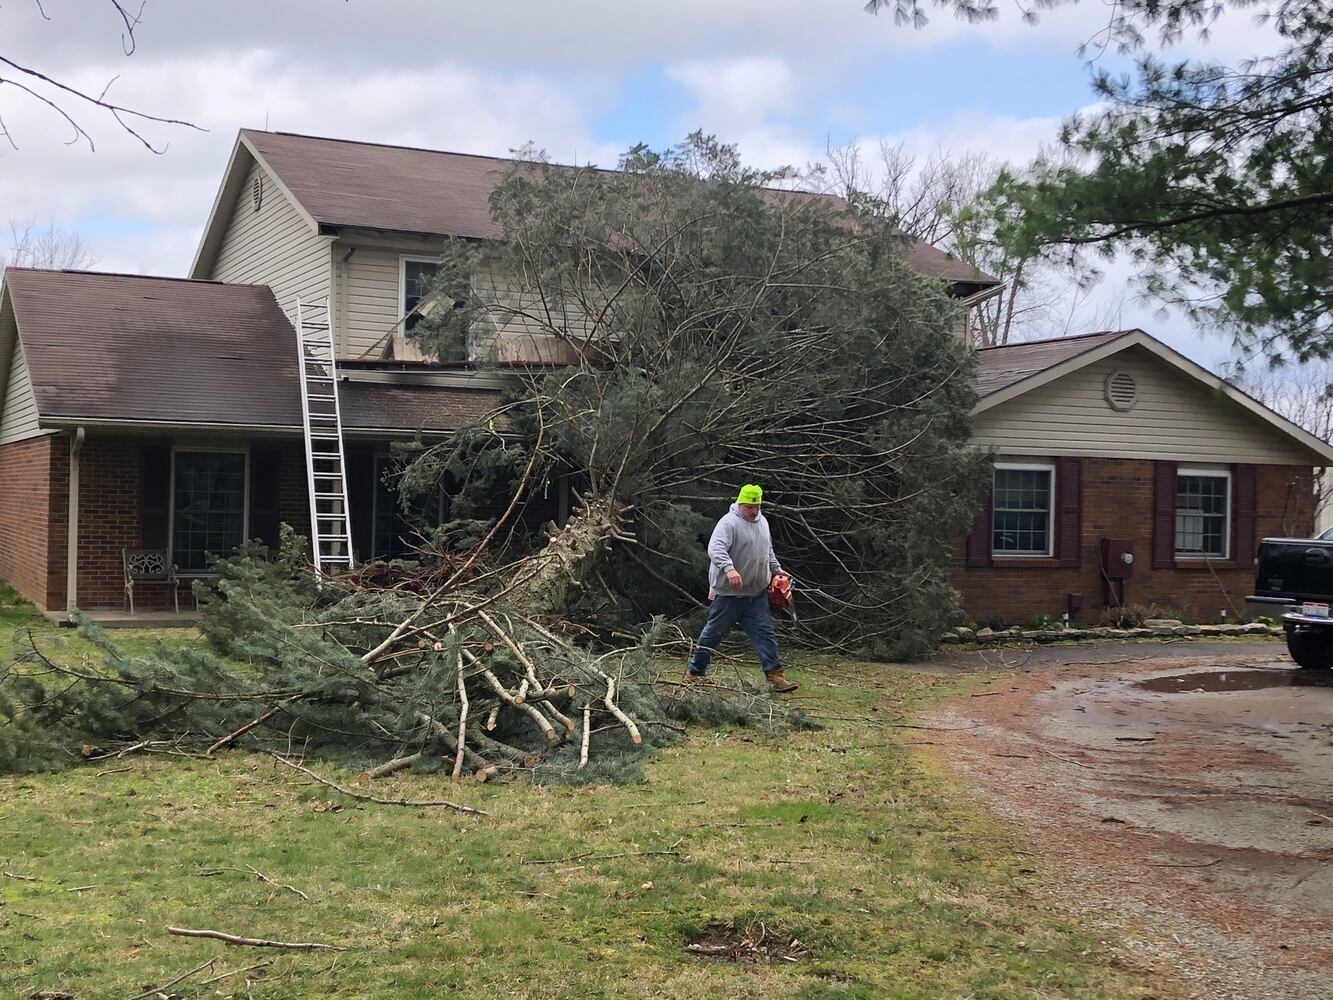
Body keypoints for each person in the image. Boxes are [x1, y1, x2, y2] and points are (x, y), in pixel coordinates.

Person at [686, 484, 798, 693]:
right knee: (713, 634)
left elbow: (768, 550)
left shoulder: (762, 522)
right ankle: (695, 673)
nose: (754, 511)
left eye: (757, 506)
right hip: (730, 594)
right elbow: (715, 548)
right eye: (749, 507)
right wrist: (730, 570)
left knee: (765, 634)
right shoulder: (728, 523)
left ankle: (775, 676)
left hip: (756, 594)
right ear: (740, 503)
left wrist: (777, 570)